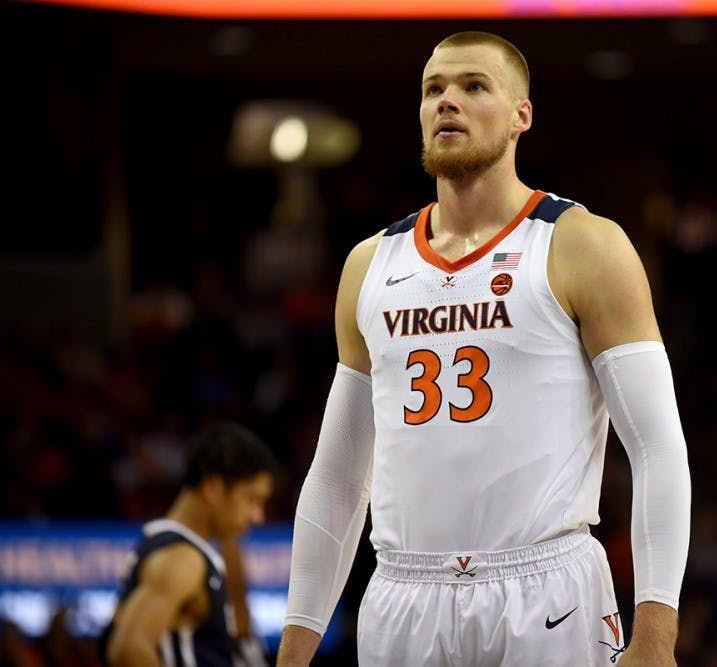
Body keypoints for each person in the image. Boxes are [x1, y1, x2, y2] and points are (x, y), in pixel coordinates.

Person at [278, 30, 691, 666]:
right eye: (433, 90)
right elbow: (337, 475)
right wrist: (295, 647)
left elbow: (658, 446)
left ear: (522, 114)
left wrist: (657, 633)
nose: (448, 102)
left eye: (474, 87)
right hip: (401, 595)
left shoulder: (584, 244)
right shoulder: (369, 264)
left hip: (548, 589)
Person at [100, 421, 277, 666]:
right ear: (213, 487)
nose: (258, 516)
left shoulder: (182, 548)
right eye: (251, 499)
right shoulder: (182, 558)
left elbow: (239, 625)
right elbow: (128, 650)